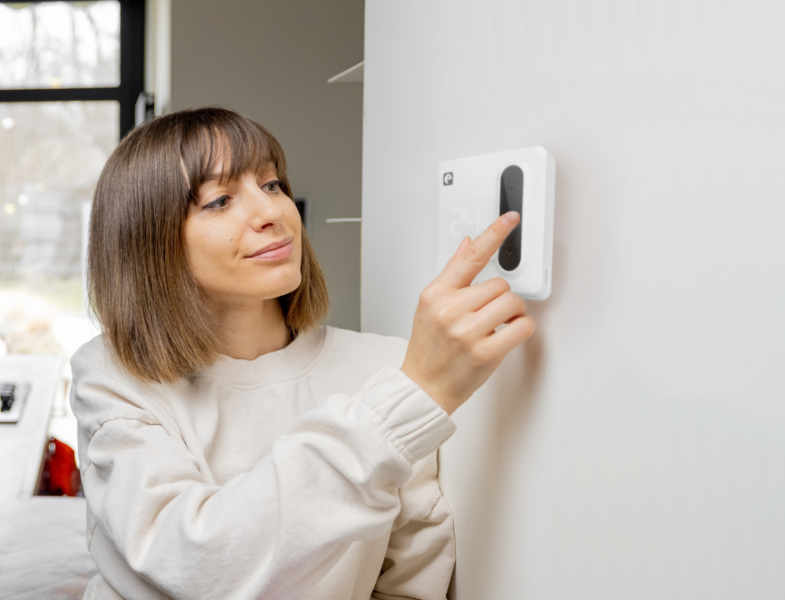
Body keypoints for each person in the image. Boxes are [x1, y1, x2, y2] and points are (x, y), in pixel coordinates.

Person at [70, 107, 535, 600]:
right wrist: (412, 398)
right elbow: (201, 564)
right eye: (220, 200)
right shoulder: (112, 375)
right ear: (149, 240)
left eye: (271, 185)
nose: (273, 213)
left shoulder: (387, 367)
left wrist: (413, 387)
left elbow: (411, 573)